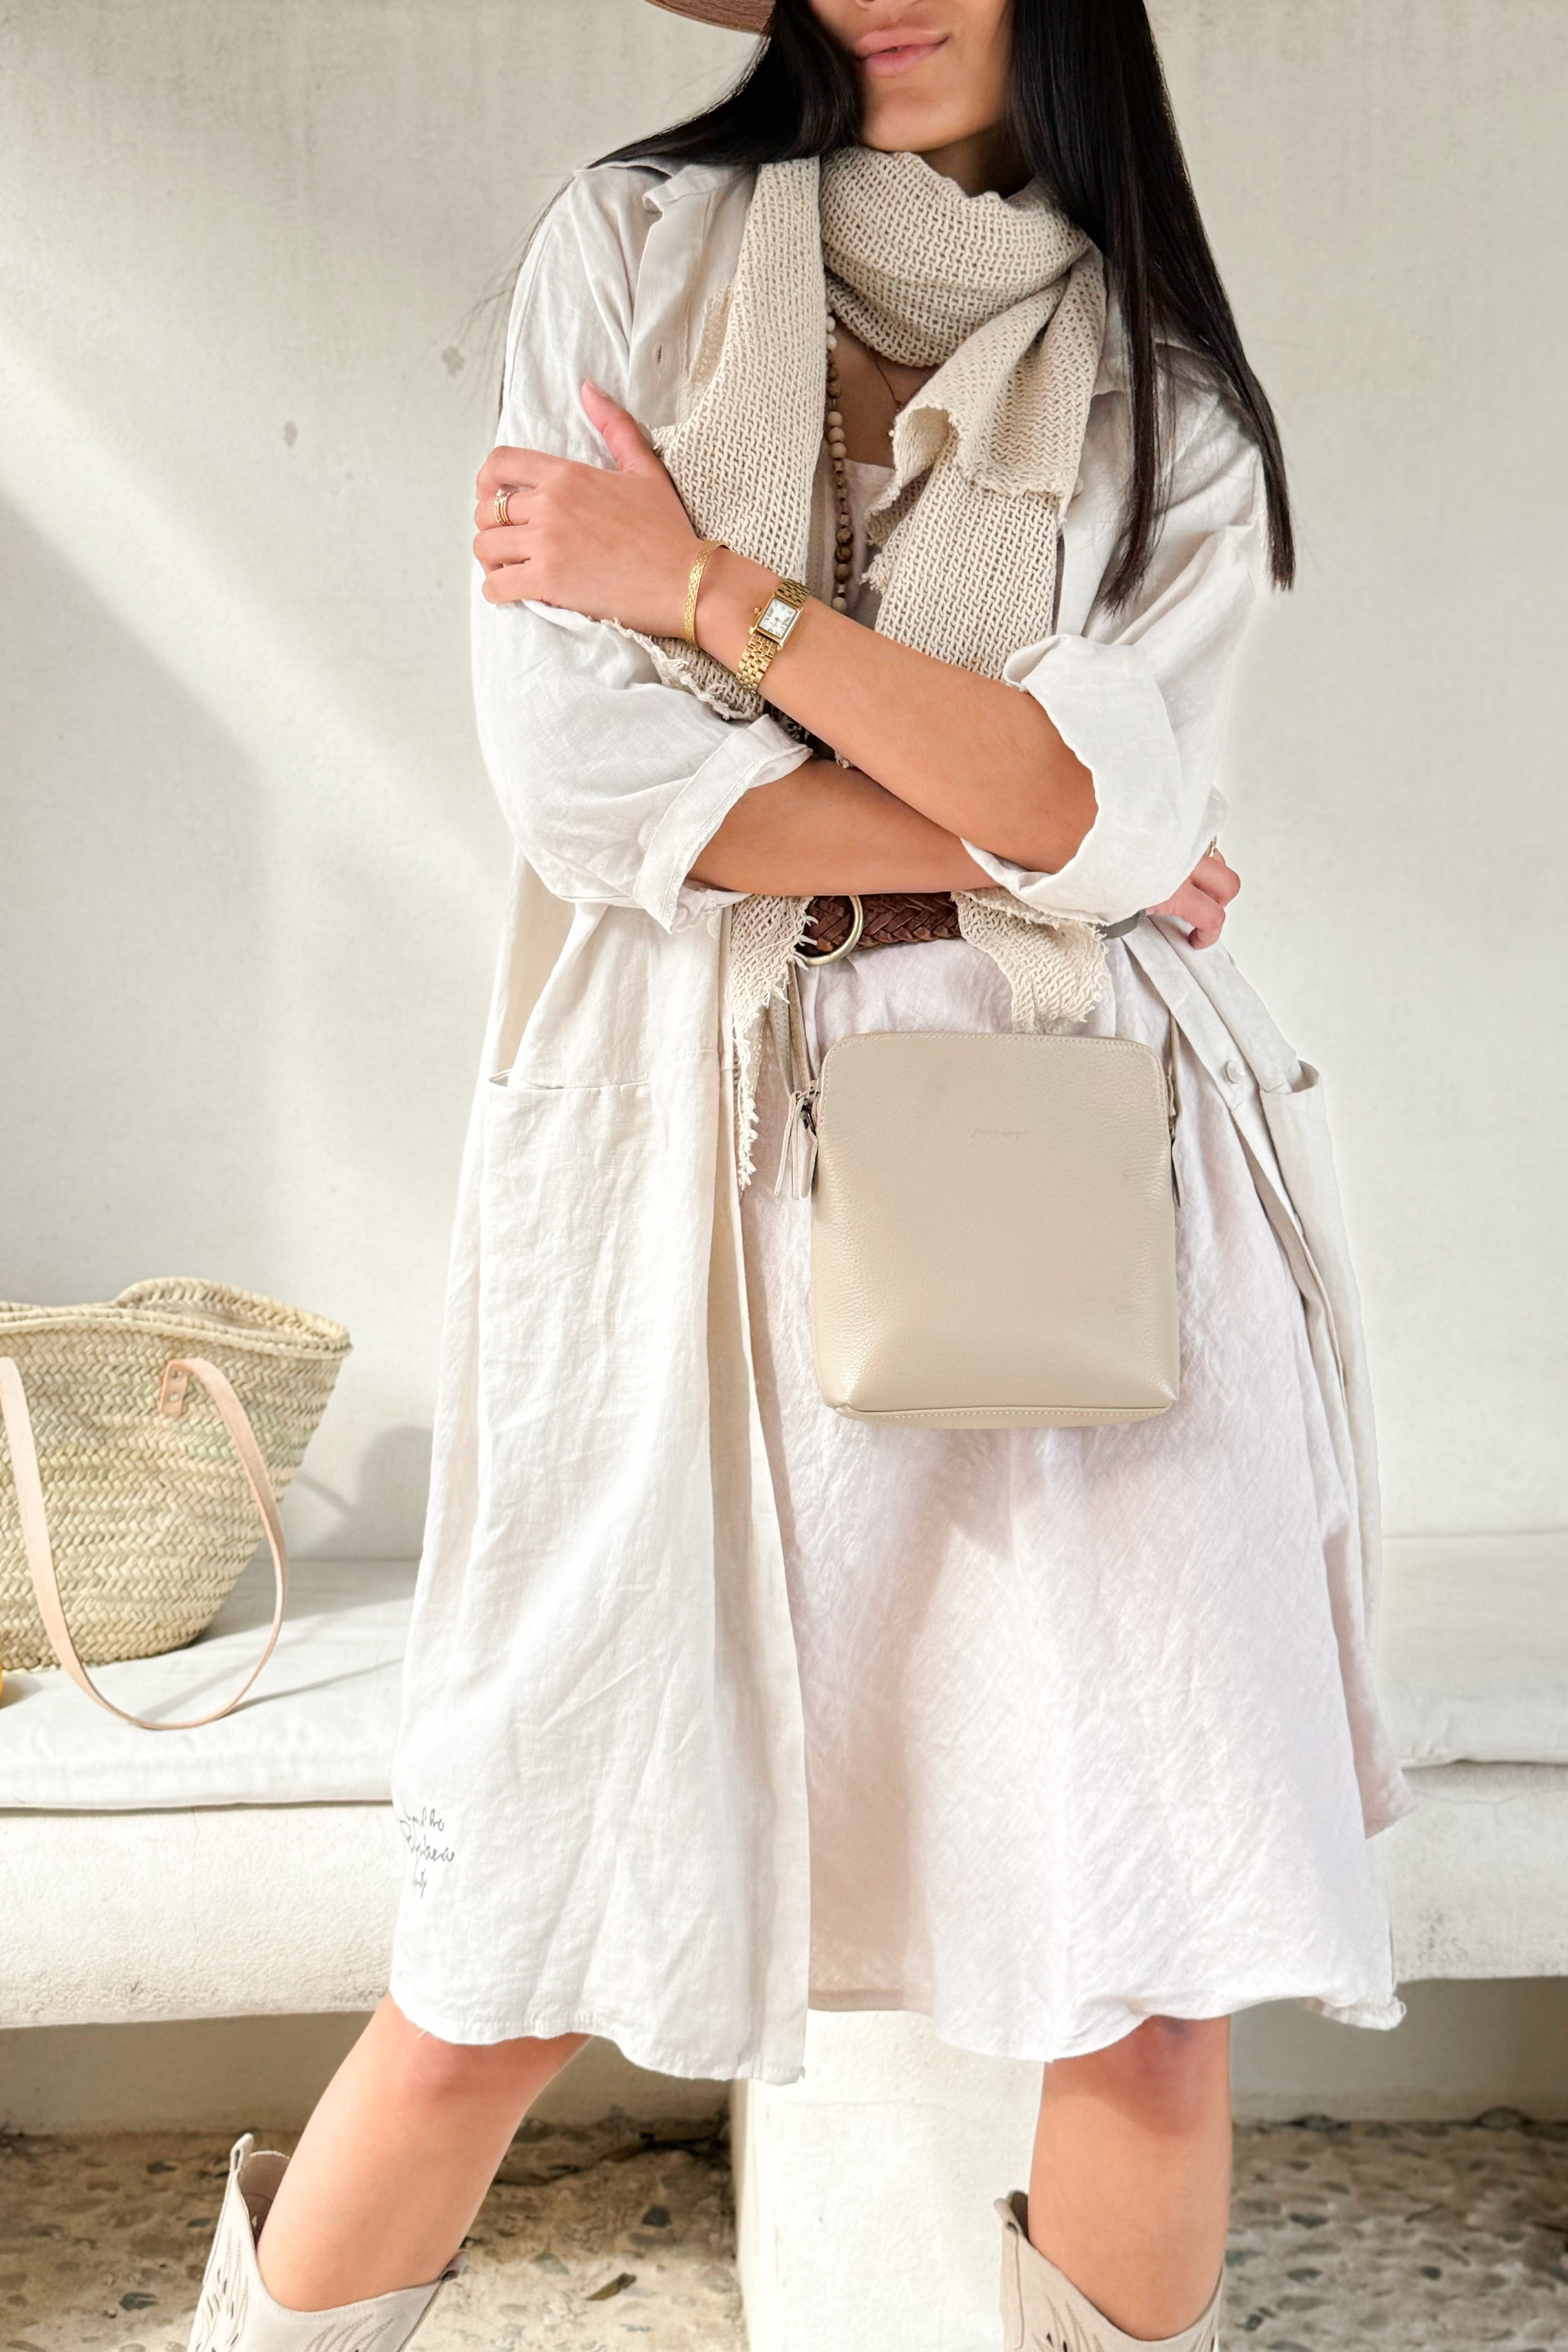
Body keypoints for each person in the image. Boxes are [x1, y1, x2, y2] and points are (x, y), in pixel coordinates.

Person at [186, 4, 1413, 2347]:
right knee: (502, 1945)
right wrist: (1039, 824)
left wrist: (704, 590)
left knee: (1149, 1976)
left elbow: (1087, 810)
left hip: (1084, 1190)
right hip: (684, 1182)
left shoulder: (1164, 394)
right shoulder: (630, 257)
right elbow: (597, 791)